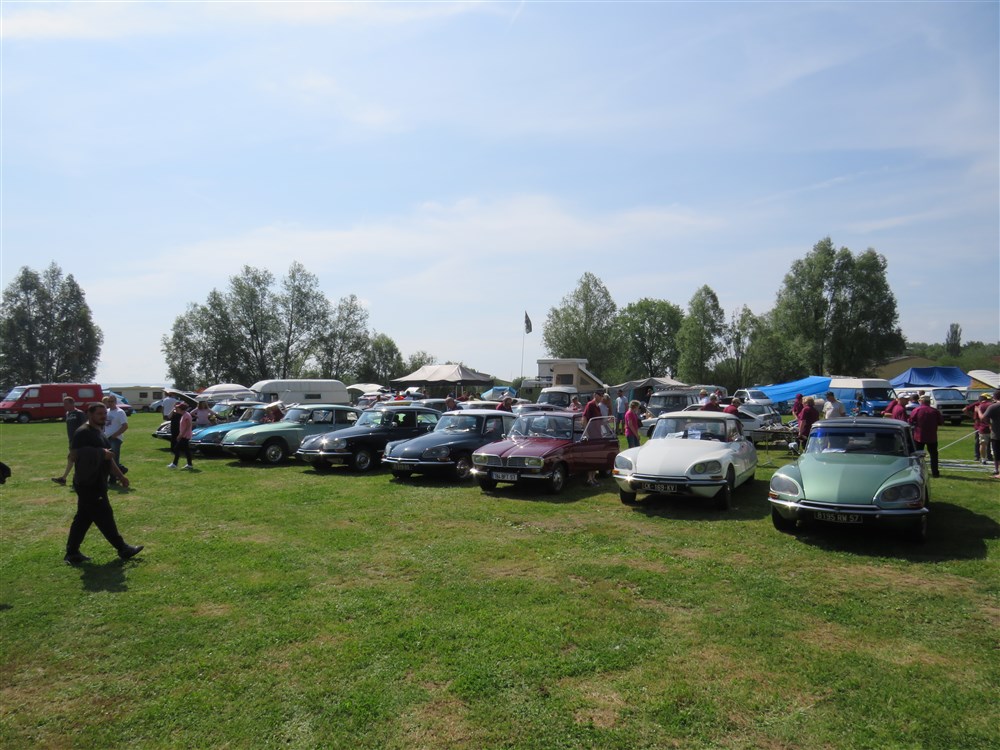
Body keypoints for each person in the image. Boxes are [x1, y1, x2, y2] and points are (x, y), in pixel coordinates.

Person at [63, 402, 143, 565]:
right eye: (99, 414)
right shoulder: (83, 432)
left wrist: (120, 476)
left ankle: (72, 553)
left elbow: (109, 457)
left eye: (104, 414)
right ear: (89, 414)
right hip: (88, 482)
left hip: (97, 481)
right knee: (104, 515)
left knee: (83, 519)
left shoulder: (98, 431)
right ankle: (123, 548)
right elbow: (74, 454)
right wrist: (100, 453)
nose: (103, 417)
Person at [52, 396, 87, 485]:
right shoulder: (67, 413)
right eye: (64, 403)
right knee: (71, 458)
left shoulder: (79, 413)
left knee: (76, 459)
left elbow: (85, 426)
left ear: (72, 403)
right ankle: (64, 478)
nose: (64, 405)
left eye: (66, 403)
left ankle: (74, 479)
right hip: (72, 440)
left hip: (79, 440)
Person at [909, 394, 944, 478]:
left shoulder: (917, 410)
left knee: (917, 455)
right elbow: (941, 422)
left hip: (919, 436)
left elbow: (910, 420)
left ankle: (917, 472)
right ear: (929, 402)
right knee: (934, 455)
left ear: (921, 401)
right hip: (932, 437)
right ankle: (935, 473)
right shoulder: (934, 411)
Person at [102, 394, 129, 485]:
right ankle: (121, 470)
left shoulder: (120, 412)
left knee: (114, 459)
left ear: (115, 402)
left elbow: (125, 426)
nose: (110, 403)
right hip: (106, 438)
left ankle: (113, 479)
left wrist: (115, 435)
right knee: (107, 458)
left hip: (115, 439)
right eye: (108, 401)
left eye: (112, 401)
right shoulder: (107, 411)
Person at [582, 392, 604, 486]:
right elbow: (584, 418)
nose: (601, 397)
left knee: (596, 458)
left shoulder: (598, 406)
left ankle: (594, 478)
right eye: (600, 395)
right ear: (595, 395)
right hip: (591, 435)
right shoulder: (590, 404)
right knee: (592, 458)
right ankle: (589, 479)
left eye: (602, 396)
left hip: (598, 435)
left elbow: (599, 420)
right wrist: (586, 433)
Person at [168, 402, 195, 470]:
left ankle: (174, 464)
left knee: (176, 448)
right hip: (184, 435)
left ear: (181, 409)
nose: (176, 409)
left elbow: (188, 426)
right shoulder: (184, 415)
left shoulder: (186, 415)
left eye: (178, 408)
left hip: (185, 436)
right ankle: (189, 464)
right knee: (186, 450)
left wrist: (181, 435)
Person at [982, 391, 1000, 479]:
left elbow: (983, 418)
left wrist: (989, 424)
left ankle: (998, 472)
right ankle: (997, 471)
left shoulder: (993, 407)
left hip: (997, 433)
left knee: (997, 454)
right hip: (996, 433)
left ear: (995, 397)